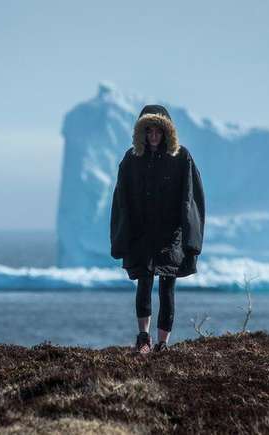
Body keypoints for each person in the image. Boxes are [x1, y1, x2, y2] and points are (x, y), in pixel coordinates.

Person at [110, 104, 206, 354]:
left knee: (167, 287)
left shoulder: (181, 157)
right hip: (142, 234)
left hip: (170, 236)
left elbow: (191, 197)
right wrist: (123, 234)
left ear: (167, 132)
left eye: (158, 132)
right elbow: (122, 199)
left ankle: (163, 343)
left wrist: (190, 239)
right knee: (144, 282)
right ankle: (143, 339)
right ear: (141, 132)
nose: (153, 137)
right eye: (148, 131)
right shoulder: (132, 159)